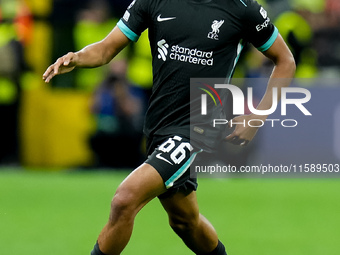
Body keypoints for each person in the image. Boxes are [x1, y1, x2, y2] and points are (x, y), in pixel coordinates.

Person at [43, 0, 295, 254]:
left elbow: (285, 61)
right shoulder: (152, 1)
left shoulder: (242, 8)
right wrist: (78, 57)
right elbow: (106, 49)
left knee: (125, 199)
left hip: (196, 126)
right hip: (158, 124)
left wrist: (257, 116)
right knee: (185, 222)